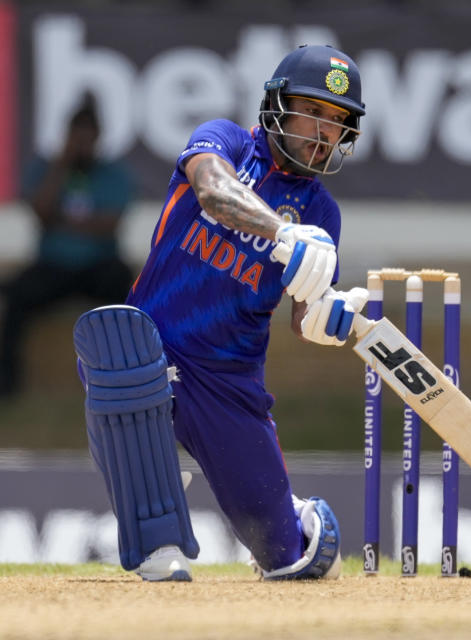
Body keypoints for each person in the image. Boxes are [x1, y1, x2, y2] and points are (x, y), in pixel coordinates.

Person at [71, 44, 370, 581]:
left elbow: (305, 313)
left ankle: (290, 518)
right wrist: (281, 231)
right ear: (278, 105)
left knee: (291, 561)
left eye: (338, 122)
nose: (325, 132)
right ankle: (157, 520)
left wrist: (328, 319)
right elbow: (212, 192)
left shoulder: (323, 212)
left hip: (230, 383)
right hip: (150, 349)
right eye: (315, 112)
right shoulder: (224, 140)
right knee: (118, 353)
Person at [0, 94, 133, 397]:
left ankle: (126, 374)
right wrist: (62, 163)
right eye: (77, 138)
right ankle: (7, 383)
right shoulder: (47, 169)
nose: (82, 145)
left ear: (98, 138)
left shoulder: (113, 173)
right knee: (16, 299)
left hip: (98, 267)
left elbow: (108, 225)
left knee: (126, 290)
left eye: (88, 138)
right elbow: (41, 211)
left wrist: (61, 220)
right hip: (54, 267)